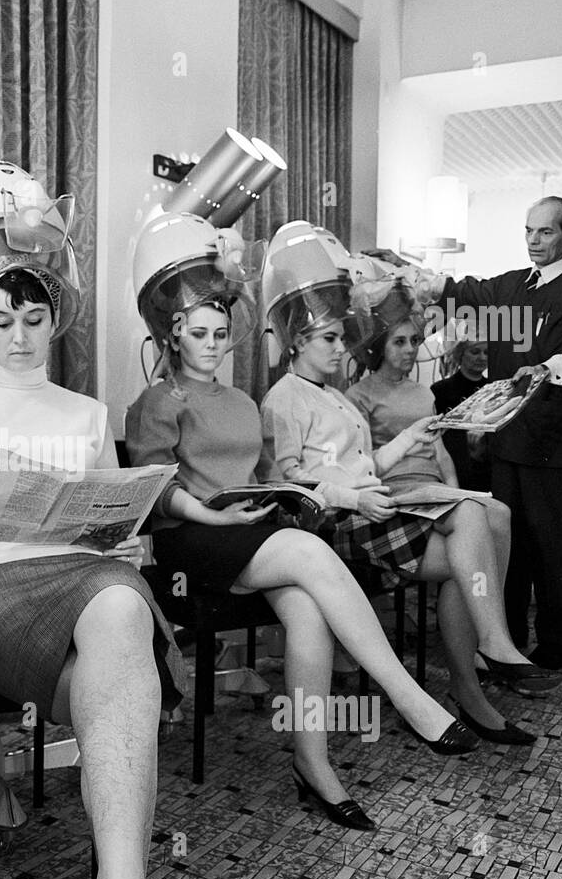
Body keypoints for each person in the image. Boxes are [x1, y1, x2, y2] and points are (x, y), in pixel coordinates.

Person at [125, 213, 478, 835]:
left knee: (308, 610)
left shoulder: (239, 402)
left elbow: (268, 474)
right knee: (309, 554)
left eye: (220, 332)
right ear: (174, 336)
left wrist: (285, 495)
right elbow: (155, 490)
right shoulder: (156, 403)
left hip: (250, 531)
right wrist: (210, 510)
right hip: (191, 543)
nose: (212, 344)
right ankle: (408, 696)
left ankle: (314, 766)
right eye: (198, 334)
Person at [0, 161, 183, 879]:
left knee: (123, 604)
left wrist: (129, 546)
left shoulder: (88, 413)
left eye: (33, 319)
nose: (20, 336)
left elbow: (114, 521)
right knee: (123, 675)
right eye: (3, 321)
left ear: (53, 316)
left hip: (87, 579)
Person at [389, 197, 562, 672]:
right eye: (529, 231)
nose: (533, 241)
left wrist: (544, 368)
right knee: (509, 547)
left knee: (554, 548)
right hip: (508, 442)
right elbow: (465, 292)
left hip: (554, 444)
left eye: (545, 233)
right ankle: (506, 640)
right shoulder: (511, 287)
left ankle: (554, 650)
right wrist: (421, 282)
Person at [342, 278, 554, 729]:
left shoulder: (423, 393)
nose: (408, 349)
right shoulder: (356, 397)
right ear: (378, 346)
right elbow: (362, 467)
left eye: (414, 340)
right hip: (395, 495)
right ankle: (490, 645)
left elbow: (438, 450)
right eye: (398, 341)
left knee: (498, 511)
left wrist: (459, 490)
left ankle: (473, 670)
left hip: (432, 493)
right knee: (478, 521)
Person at [431, 338, 492, 492]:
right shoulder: (440, 390)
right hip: (451, 468)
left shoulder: (493, 389)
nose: (482, 357)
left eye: (486, 352)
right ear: (461, 354)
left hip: (485, 469)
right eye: (475, 352)